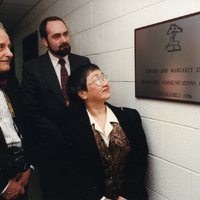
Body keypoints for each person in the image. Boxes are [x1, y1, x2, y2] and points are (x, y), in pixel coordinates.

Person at [21, 16, 90, 199]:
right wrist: (59, 135)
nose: (64, 40)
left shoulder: (83, 63)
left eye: (66, 34)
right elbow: (30, 110)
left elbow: (89, 100)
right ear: (45, 41)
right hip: (50, 150)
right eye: (57, 36)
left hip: (81, 148)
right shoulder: (32, 68)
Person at [62, 63, 149, 200]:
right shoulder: (72, 127)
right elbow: (74, 170)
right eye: (96, 79)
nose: (104, 82)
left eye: (103, 77)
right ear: (82, 93)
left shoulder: (130, 117)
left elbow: (139, 159)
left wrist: (126, 194)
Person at [0, 23, 32, 200]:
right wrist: (2, 186)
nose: (10, 54)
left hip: (21, 173)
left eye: (9, 47)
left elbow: (23, 124)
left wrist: (29, 166)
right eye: (1, 47)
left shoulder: (11, 82)